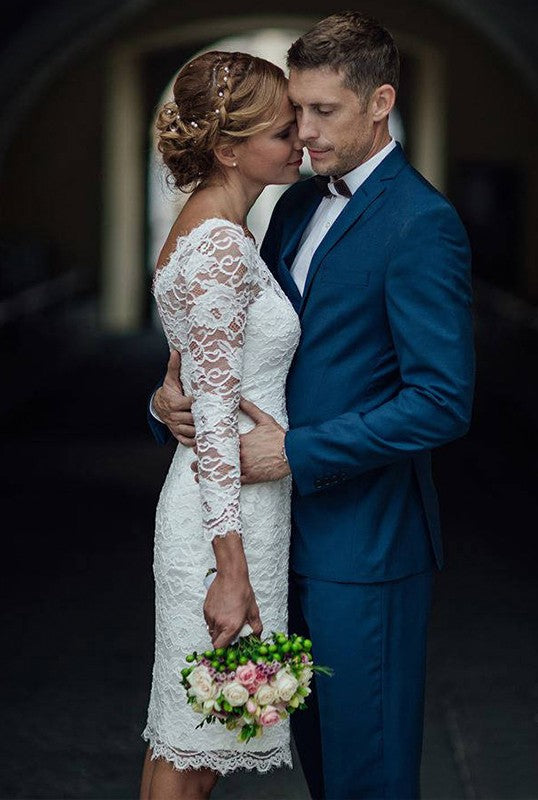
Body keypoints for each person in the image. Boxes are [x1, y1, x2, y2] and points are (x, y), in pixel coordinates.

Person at [150, 12, 475, 799]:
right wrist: (170, 395)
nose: (303, 132)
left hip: (365, 552)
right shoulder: (289, 205)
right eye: (296, 110)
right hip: (271, 540)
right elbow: (239, 345)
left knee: (368, 774)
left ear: (380, 102)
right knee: (315, 768)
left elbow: (441, 401)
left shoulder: (422, 224)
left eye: (323, 111)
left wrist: (294, 453)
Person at [140, 50, 303, 800]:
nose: (299, 138)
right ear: (230, 149)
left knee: (200, 735)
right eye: (282, 129)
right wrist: (231, 574)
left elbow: (193, 382)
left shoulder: (220, 231)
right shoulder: (215, 246)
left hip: (241, 511)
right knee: (196, 749)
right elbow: (209, 417)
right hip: (221, 529)